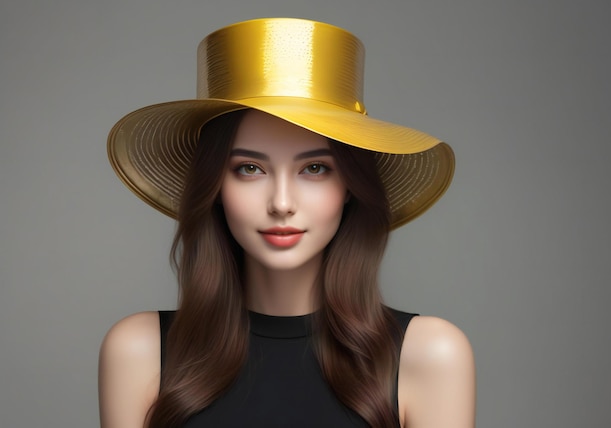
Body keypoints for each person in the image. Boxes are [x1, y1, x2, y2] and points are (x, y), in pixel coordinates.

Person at [99, 18, 475, 428]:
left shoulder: (431, 355)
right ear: (215, 186)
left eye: (314, 168)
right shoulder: (138, 352)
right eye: (249, 168)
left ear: (349, 184)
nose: (281, 203)